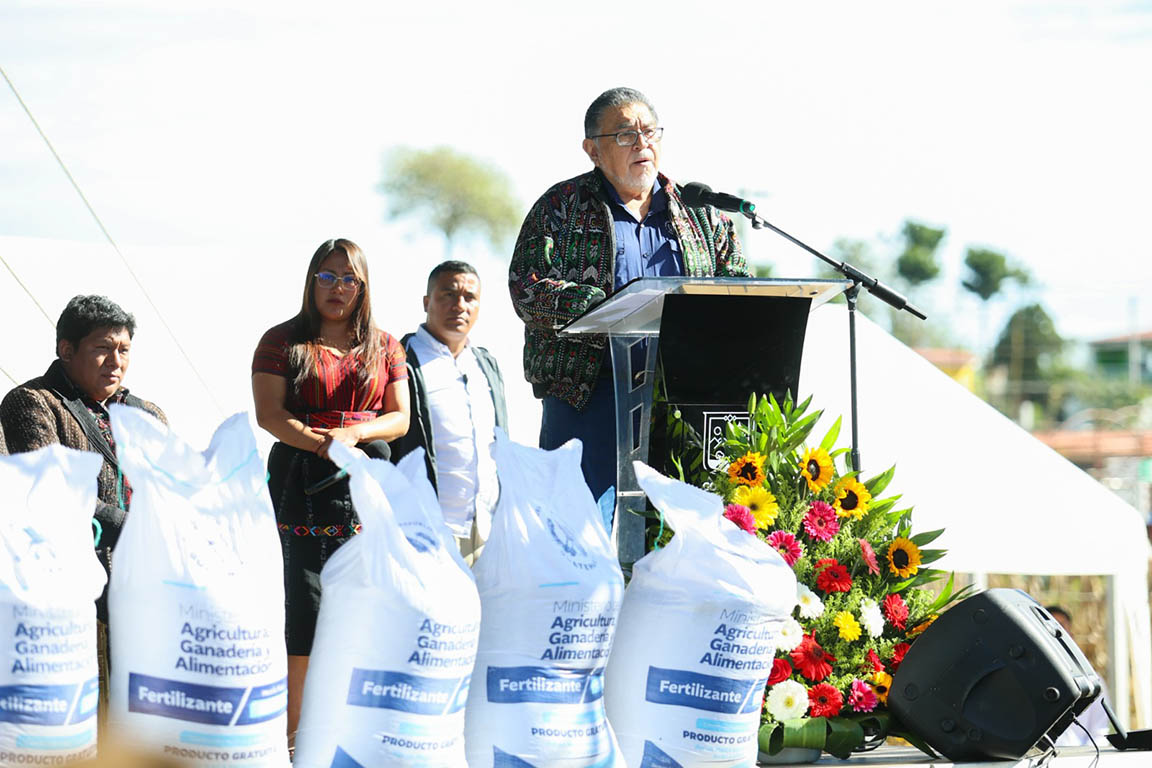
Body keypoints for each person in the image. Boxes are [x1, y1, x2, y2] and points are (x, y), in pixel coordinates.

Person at [509, 86, 748, 519]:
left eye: (649, 131)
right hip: (588, 394)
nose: (642, 143)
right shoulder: (561, 207)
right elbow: (527, 286)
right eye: (624, 134)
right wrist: (609, 306)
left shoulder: (699, 213)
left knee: (682, 532)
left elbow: (738, 285)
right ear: (593, 150)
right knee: (580, 530)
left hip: (685, 399)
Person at [251, 238, 410, 743]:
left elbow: (400, 418)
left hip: (367, 482)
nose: (336, 287)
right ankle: (296, 739)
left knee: (366, 604)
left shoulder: (386, 346)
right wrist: (323, 443)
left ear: (362, 287)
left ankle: (355, 736)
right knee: (304, 607)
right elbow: (270, 414)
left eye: (348, 279)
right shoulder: (281, 341)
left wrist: (354, 435)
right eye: (326, 276)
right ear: (311, 281)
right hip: (300, 478)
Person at [0, 294, 167, 720]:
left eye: (124, 349)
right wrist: (133, 525)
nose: (116, 361)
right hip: (71, 585)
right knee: (86, 715)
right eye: (102, 348)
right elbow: (50, 489)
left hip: (147, 581)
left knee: (146, 712)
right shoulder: (33, 402)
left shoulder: (146, 414)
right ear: (67, 349)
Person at [390, 260, 508, 564]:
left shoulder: (485, 364)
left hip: (486, 528)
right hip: (424, 529)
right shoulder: (400, 360)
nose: (460, 305)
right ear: (426, 302)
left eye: (470, 297)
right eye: (449, 295)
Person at [1047, 605, 1113, 747]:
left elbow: (1099, 733)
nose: (1053, 635)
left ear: (1070, 636)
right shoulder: (1023, 681)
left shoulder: (1092, 681)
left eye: (1060, 629)